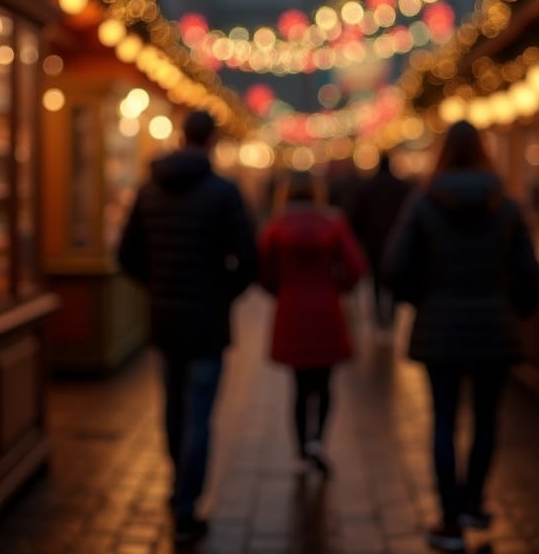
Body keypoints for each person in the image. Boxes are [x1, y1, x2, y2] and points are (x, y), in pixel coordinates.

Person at [384, 120, 539, 553]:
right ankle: (474, 501)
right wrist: (514, 309)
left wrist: (424, 301)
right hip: (494, 325)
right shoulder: (505, 204)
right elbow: (530, 273)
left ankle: (450, 519)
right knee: (488, 420)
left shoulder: (424, 203)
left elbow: (396, 267)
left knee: (443, 421)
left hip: (441, 327)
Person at [117, 109, 257, 544]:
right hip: (206, 321)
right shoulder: (223, 193)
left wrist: (156, 285)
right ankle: (186, 504)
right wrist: (222, 293)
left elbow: (126, 254)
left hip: (165, 318)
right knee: (199, 413)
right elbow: (248, 260)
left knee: (174, 409)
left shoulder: (149, 190)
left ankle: (178, 484)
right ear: (211, 140)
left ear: (180, 136)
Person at [258, 170, 366, 475]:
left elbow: (263, 269)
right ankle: (317, 439)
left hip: (291, 309)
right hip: (327, 309)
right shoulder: (333, 222)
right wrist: (338, 287)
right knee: (325, 382)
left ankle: (301, 450)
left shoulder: (276, 225)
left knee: (299, 385)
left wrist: (280, 289)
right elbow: (355, 267)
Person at [351, 152, 413, 331]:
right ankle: (391, 316)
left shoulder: (367, 188)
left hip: (373, 241)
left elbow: (358, 217)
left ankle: (379, 316)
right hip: (395, 239)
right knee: (392, 278)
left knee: (376, 282)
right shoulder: (402, 188)